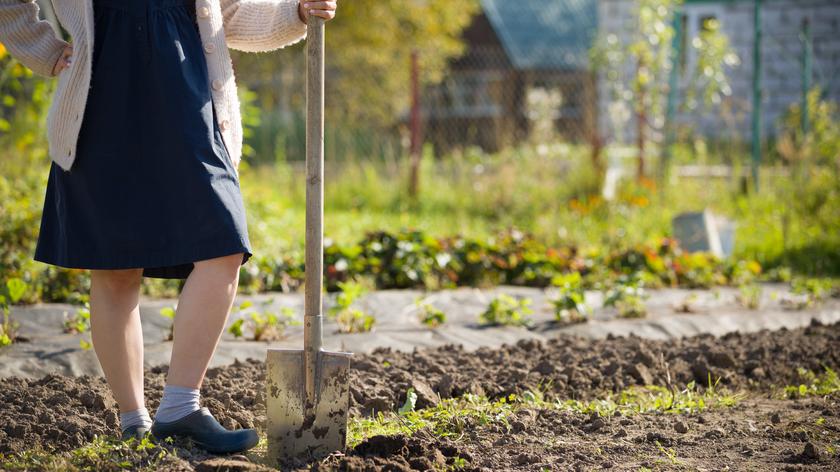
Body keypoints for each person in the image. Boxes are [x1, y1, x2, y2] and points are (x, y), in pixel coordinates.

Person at [0, 0, 338, 454]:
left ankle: (180, 406)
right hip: (100, 99)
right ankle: (133, 421)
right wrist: (42, 47)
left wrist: (295, 12)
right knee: (116, 267)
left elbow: (230, 14)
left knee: (224, 245)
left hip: (189, 97)